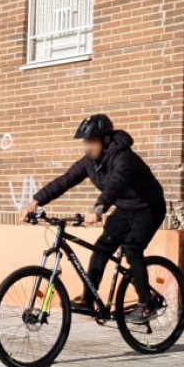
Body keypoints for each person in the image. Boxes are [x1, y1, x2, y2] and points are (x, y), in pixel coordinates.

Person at [20, 114, 166, 324]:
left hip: (149, 208)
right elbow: (66, 180)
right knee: (101, 249)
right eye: (85, 142)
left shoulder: (124, 158)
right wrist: (35, 201)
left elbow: (115, 184)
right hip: (125, 209)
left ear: (105, 140)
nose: (87, 147)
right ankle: (89, 299)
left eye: (91, 142)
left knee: (132, 249)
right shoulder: (90, 162)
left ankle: (146, 304)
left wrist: (98, 209)